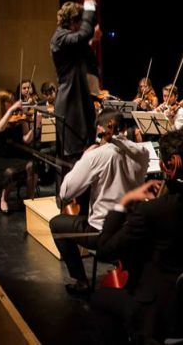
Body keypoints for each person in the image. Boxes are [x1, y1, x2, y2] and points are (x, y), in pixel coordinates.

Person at [93, 128, 183, 343]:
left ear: (166, 165)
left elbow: (104, 250)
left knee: (100, 299)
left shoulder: (151, 211)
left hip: (164, 313)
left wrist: (123, 203)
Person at [50, 109, 149, 296]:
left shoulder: (97, 155)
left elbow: (65, 193)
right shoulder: (142, 151)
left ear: (100, 129)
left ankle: (81, 281)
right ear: (125, 127)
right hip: (131, 229)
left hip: (103, 234)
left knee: (57, 224)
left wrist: (84, 157)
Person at [50, 0, 98, 159]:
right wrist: (89, 3)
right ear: (72, 22)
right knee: (75, 156)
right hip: (70, 104)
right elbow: (84, 34)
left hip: (78, 99)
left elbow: (86, 37)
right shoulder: (60, 38)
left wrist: (92, 36)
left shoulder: (69, 39)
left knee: (87, 149)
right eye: (78, 22)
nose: (80, 27)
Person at [0, 89, 36, 214]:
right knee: (10, 172)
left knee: (32, 166)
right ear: (1, 103)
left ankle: (29, 200)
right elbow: (0, 127)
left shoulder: (17, 118)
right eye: (9, 102)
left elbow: (26, 139)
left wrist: (35, 126)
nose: (12, 104)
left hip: (14, 156)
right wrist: (11, 110)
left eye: (13, 102)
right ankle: (4, 199)